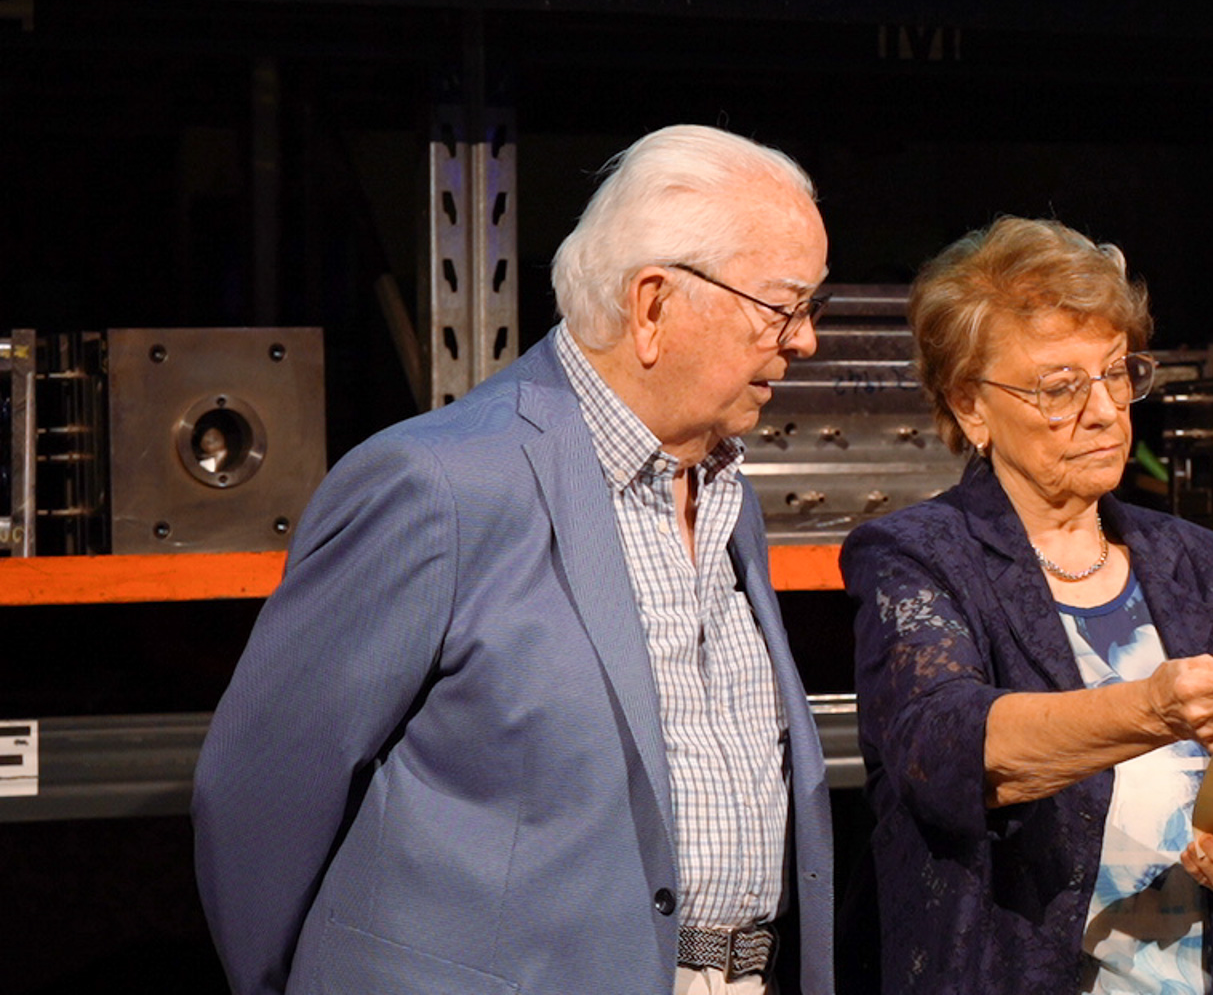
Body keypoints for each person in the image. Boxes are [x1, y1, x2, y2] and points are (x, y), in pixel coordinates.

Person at [193, 125, 837, 995]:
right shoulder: (439, 486)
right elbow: (258, 792)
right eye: (784, 306)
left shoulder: (725, 492)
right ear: (653, 305)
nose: (804, 343)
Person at [840, 216, 1213, 994]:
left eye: (1117, 373)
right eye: (1060, 386)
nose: (1104, 410)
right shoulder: (918, 556)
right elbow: (948, 744)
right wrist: (1153, 708)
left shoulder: (1196, 564)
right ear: (970, 407)